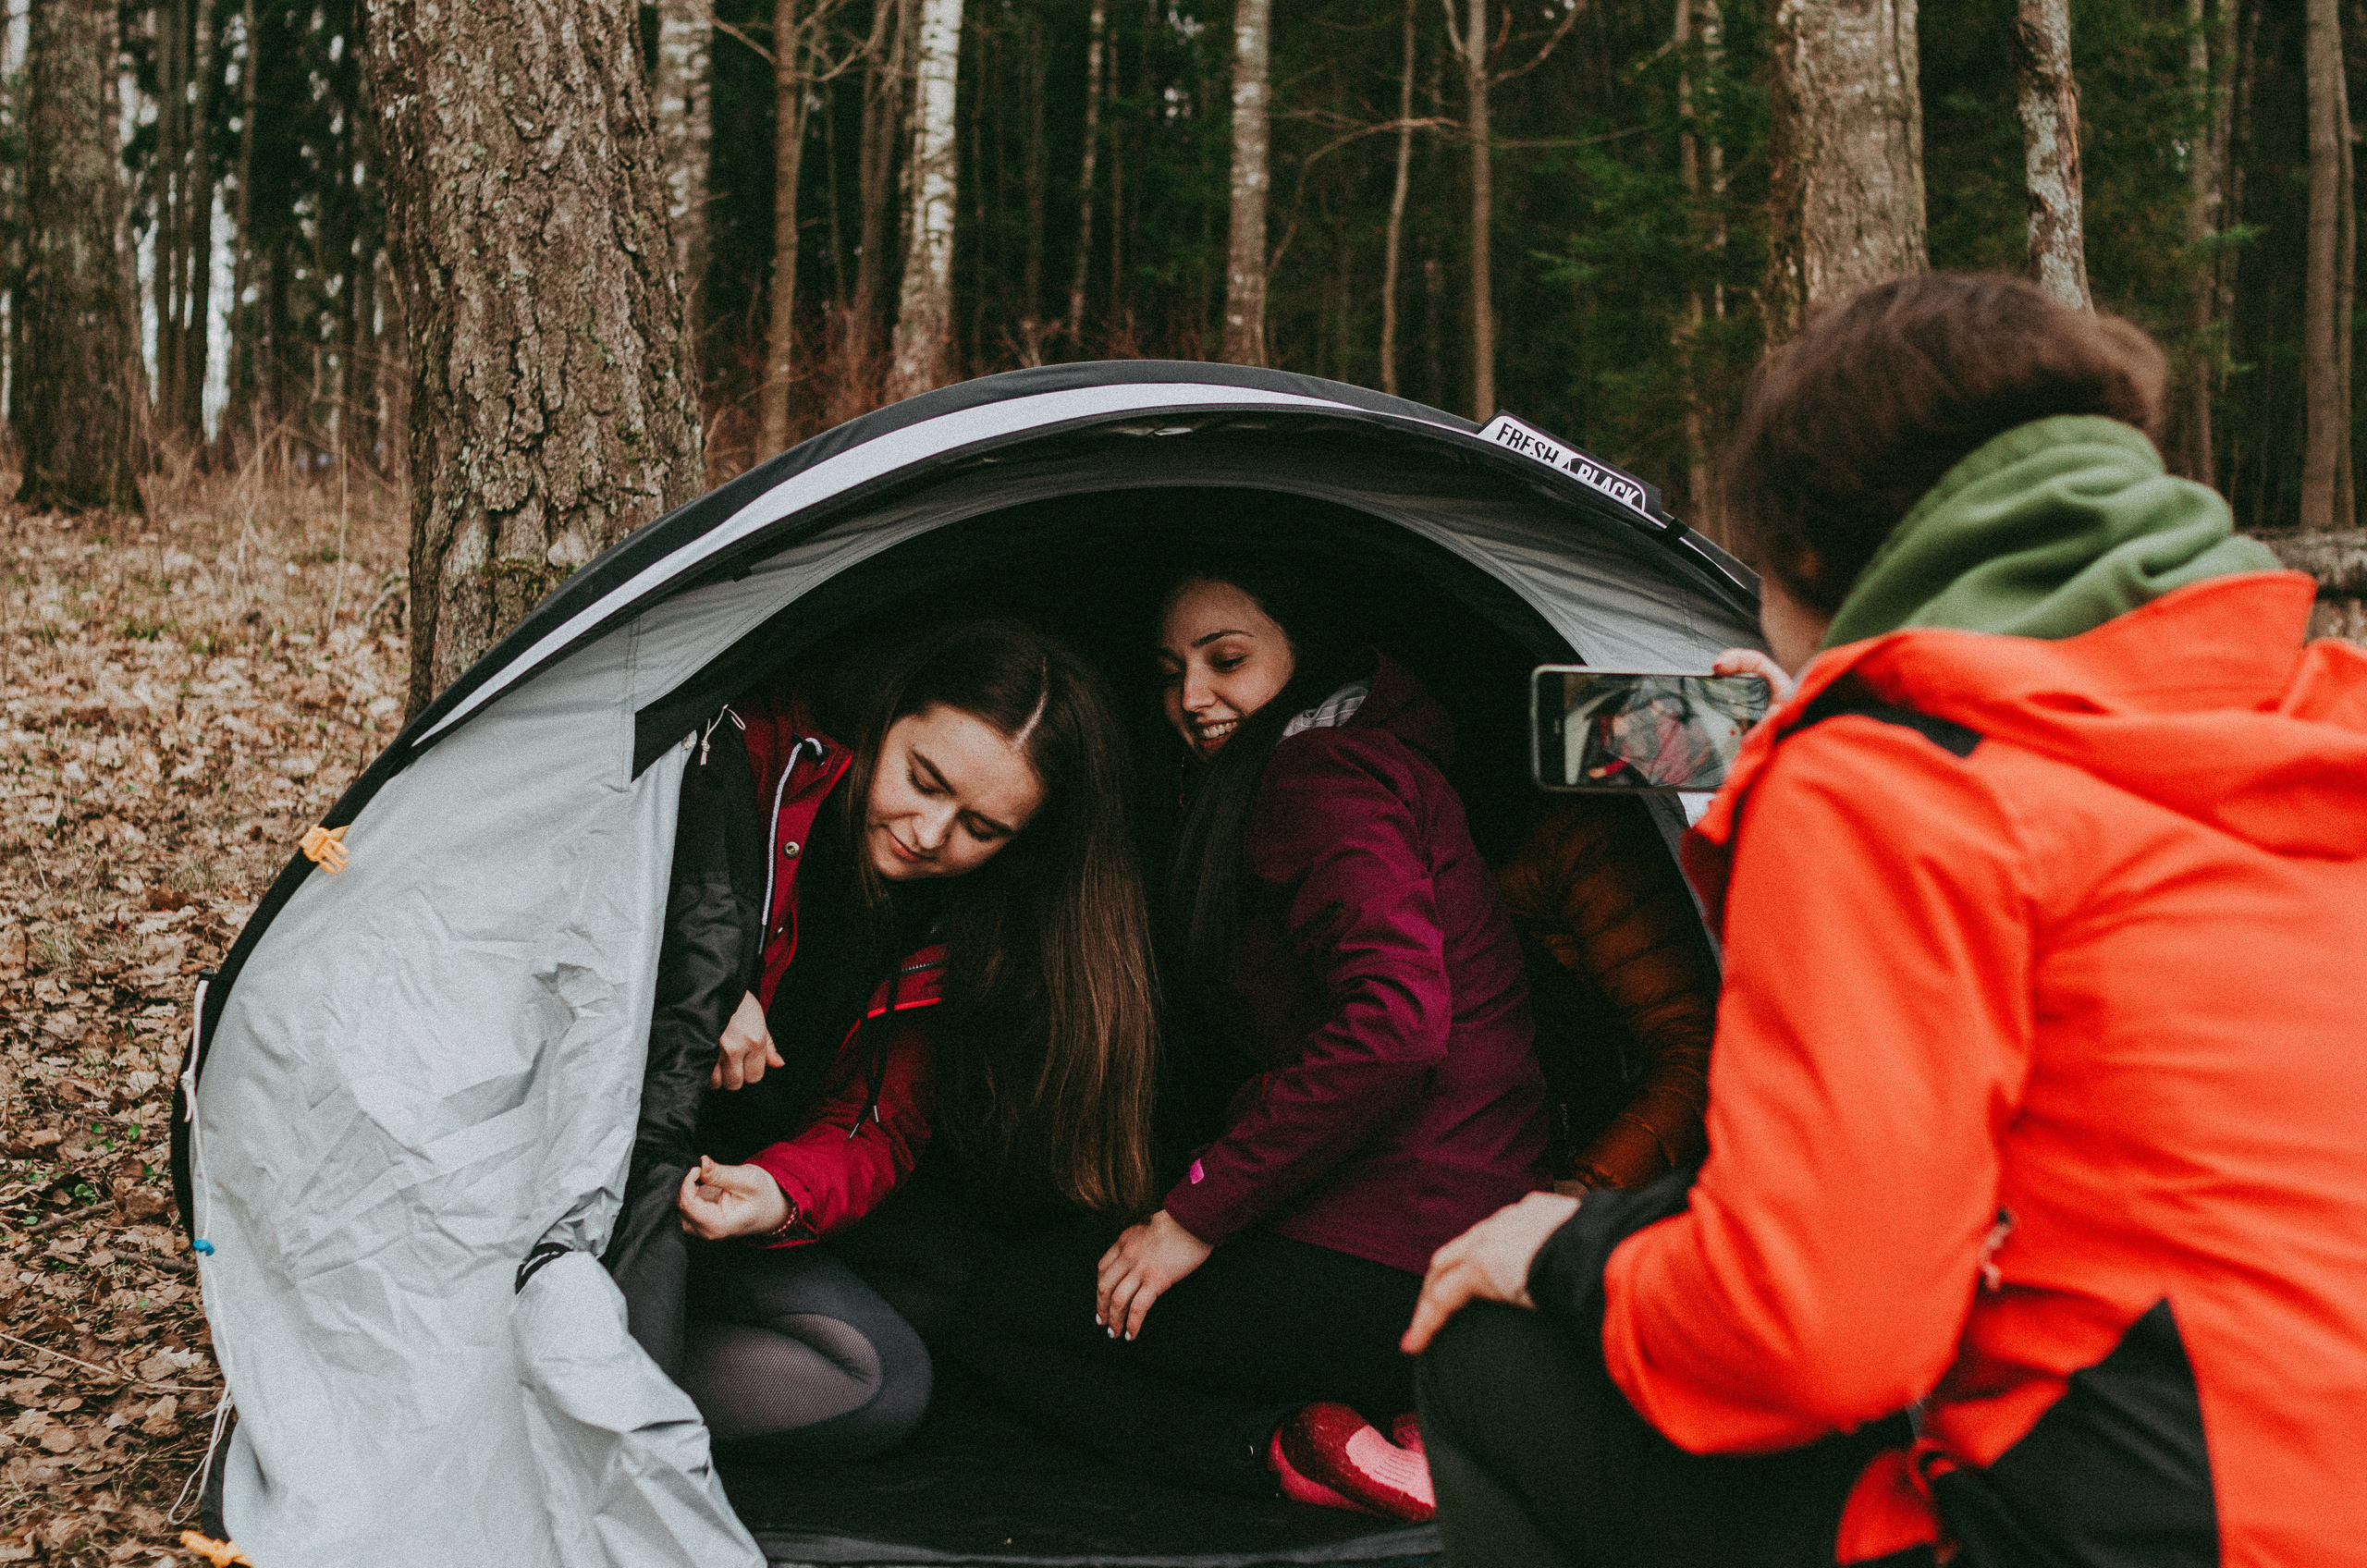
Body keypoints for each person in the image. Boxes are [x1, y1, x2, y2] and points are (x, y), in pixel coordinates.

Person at [1402, 273, 2367, 1567]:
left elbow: (1817, 1327)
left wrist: (1567, 1250)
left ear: (1810, 561)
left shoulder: (1892, 780)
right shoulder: (2316, 723)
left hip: (2128, 1531)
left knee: (1492, 1351)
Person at [956, 559, 1548, 1521]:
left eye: (1226, 659)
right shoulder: (1363, 758)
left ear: (1303, 650)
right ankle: (1408, 1418)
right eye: (1167, 670)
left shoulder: (1319, 774)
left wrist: (1193, 1216)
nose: (1192, 698)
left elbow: (1393, 1027)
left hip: (1397, 1245)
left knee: (999, 1319)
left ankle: (1281, 1446)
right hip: (1450, 1228)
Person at [645, 619, 1160, 1461]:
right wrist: (692, 997)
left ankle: (625, 1361)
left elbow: (879, 1121)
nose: (929, 833)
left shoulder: (972, 927)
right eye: (922, 780)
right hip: (634, 1175)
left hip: (728, 1192)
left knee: (939, 1294)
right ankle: (576, 1382)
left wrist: (780, 1194)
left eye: (980, 829)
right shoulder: (761, 755)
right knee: (878, 1383)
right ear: (886, 715)